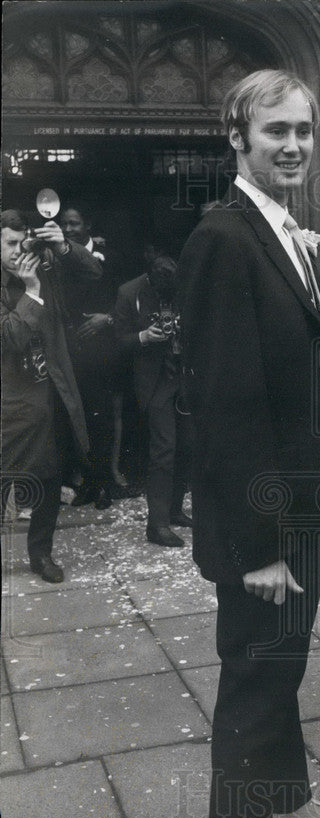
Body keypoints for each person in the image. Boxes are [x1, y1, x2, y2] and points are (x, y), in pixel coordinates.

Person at [176, 69, 320, 818]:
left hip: (306, 513)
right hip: (264, 530)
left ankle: (286, 801)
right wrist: (256, 549)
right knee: (252, 697)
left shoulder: (291, 238)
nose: (293, 145)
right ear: (237, 138)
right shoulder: (223, 238)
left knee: (279, 669)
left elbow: (313, 381)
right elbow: (225, 406)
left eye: (303, 130)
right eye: (275, 131)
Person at [1, 208, 98, 582]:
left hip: (48, 397)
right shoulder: (33, 284)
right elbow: (11, 338)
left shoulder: (44, 271)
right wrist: (32, 293)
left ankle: (41, 554)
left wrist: (64, 247)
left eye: (21, 242)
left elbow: (93, 272)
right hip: (9, 404)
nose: (17, 251)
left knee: (47, 479)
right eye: (9, 243)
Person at [114, 254, 192, 547]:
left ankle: (173, 511)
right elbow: (118, 340)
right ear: (150, 279)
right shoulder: (128, 292)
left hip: (184, 376)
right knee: (164, 450)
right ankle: (156, 525)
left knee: (186, 445)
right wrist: (145, 336)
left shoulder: (182, 285)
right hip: (155, 382)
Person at [59, 203, 122, 507]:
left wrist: (106, 318)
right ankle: (88, 481)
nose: (68, 229)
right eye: (65, 224)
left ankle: (106, 484)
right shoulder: (59, 256)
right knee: (78, 416)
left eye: (74, 223)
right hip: (72, 347)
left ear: (88, 224)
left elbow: (124, 297)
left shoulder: (107, 255)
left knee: (102, 417)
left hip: (103, 351)